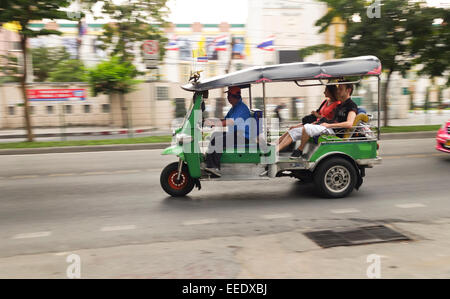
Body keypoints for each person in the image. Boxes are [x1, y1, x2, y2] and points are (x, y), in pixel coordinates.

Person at [276, 84, 340, 152]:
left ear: (331, 92)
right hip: (315, 123)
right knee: (292, 128)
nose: (324, 92)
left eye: (326, 90)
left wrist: (317, 116)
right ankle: (274, 144)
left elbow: (331, 121)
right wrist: (315, 115)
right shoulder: (325, 102)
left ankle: (276, 150)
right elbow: (318, 113)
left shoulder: (337, 104)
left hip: (322, 126)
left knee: (294, 131)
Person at [204, 86, 251, 177]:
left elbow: (229, 122)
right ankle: (209, 163)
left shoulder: (241, 108)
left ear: (234, 96)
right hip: (236, 134)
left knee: (218, 141)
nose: (228, 98)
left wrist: (213, 124)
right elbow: (225, 119)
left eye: (229, 95)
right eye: (228, 95)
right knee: (214, 135)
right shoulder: (234, 107)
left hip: (244, 137)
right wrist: (211, 121)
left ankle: (215, 168)